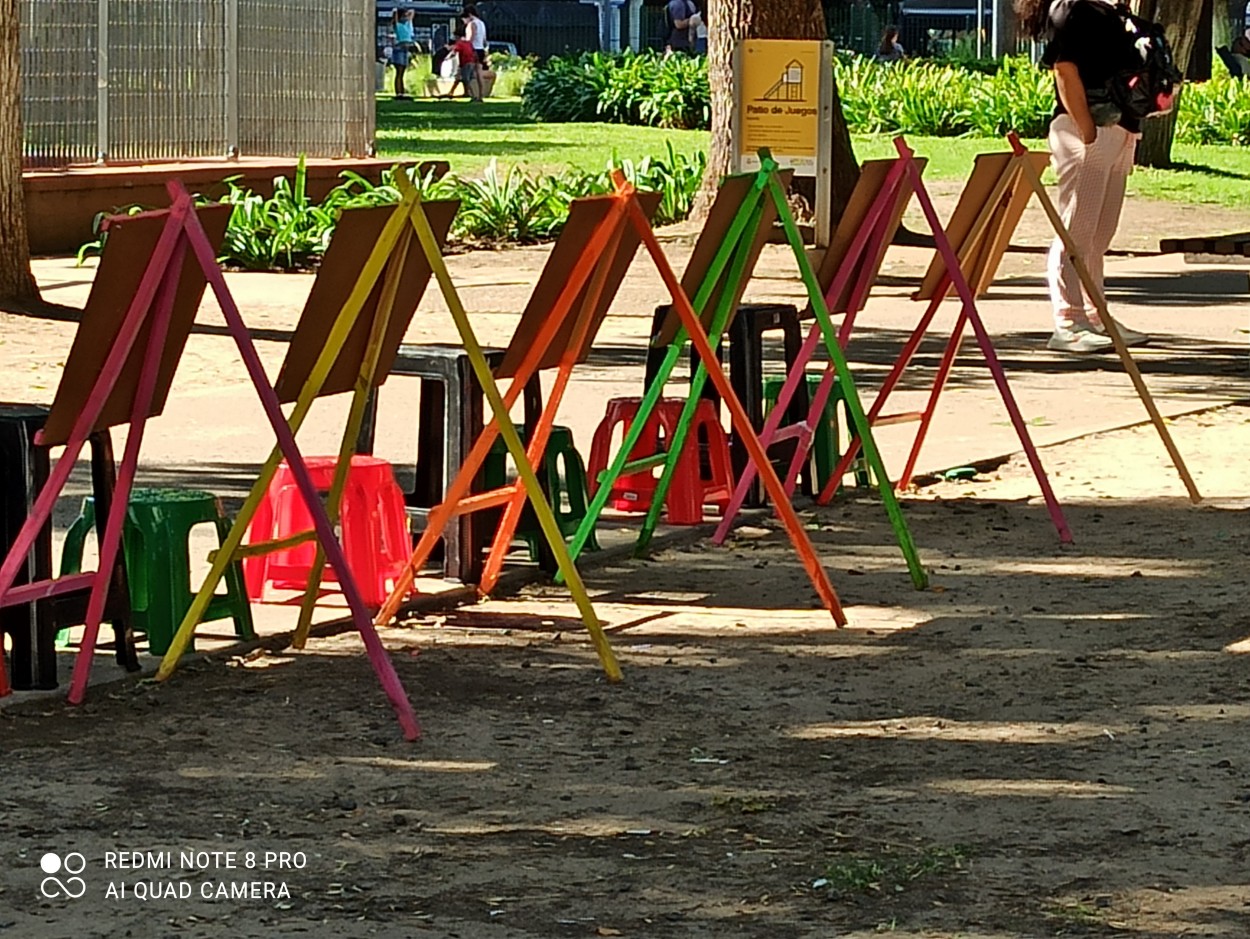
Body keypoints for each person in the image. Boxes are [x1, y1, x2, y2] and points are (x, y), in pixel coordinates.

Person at [1015, 0, 1150, 354]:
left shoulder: (1111, 11)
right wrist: (1086, 128)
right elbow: (1064, 68)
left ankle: (1095, 314)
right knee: (1077, 229)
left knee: (1100, 232)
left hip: (1120, 130)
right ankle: (1069, 320)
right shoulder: (1074, 9)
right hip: (1089, 130)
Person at [462, 4, 488, 100]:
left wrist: (464, 40)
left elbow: (470, 38)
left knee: (467, 73)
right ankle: (481, 95)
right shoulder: (482, 23)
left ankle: (472, 94)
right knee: (479, 73)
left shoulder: (472, 24)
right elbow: (484, 40)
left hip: (473, 49)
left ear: (469, 14)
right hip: (481, 49)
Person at [391, 7, 415, 101]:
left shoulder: (408, 25)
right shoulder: (398, 25)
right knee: (399, 72)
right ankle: (399, 93)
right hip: (399, 48)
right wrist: (396, 11)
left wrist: (406, 12)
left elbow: (412, 12)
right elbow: (395, 18)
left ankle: (401, 92)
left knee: (402, 72)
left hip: (405, 48)